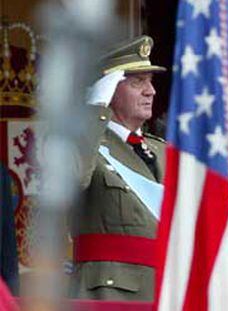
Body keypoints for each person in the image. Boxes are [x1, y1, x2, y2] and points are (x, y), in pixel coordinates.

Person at [69, 35, 166, 302]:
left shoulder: (162, 150)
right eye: (138, 82)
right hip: (110, 295)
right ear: (109, 90)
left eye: (150, 81)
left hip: (165, 290)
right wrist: (95, 113)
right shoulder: (82, 143)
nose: (151, 91)